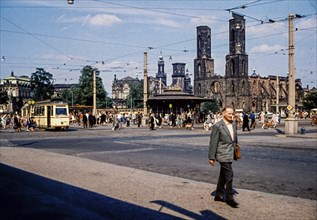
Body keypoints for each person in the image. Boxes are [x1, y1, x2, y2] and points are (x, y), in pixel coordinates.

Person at [208, 107, 239, 208]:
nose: (231, 115)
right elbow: (213, 142)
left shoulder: (234, 124)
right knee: (229, 174)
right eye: (229, 113)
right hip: (222, 154)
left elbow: (235, 138)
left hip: (230, 153)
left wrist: (236, 148)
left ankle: (218, 194)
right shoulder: (217, 126)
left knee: (223, 175)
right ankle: (229, 198)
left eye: (232, 113)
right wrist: (211, 157)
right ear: (223, 113)